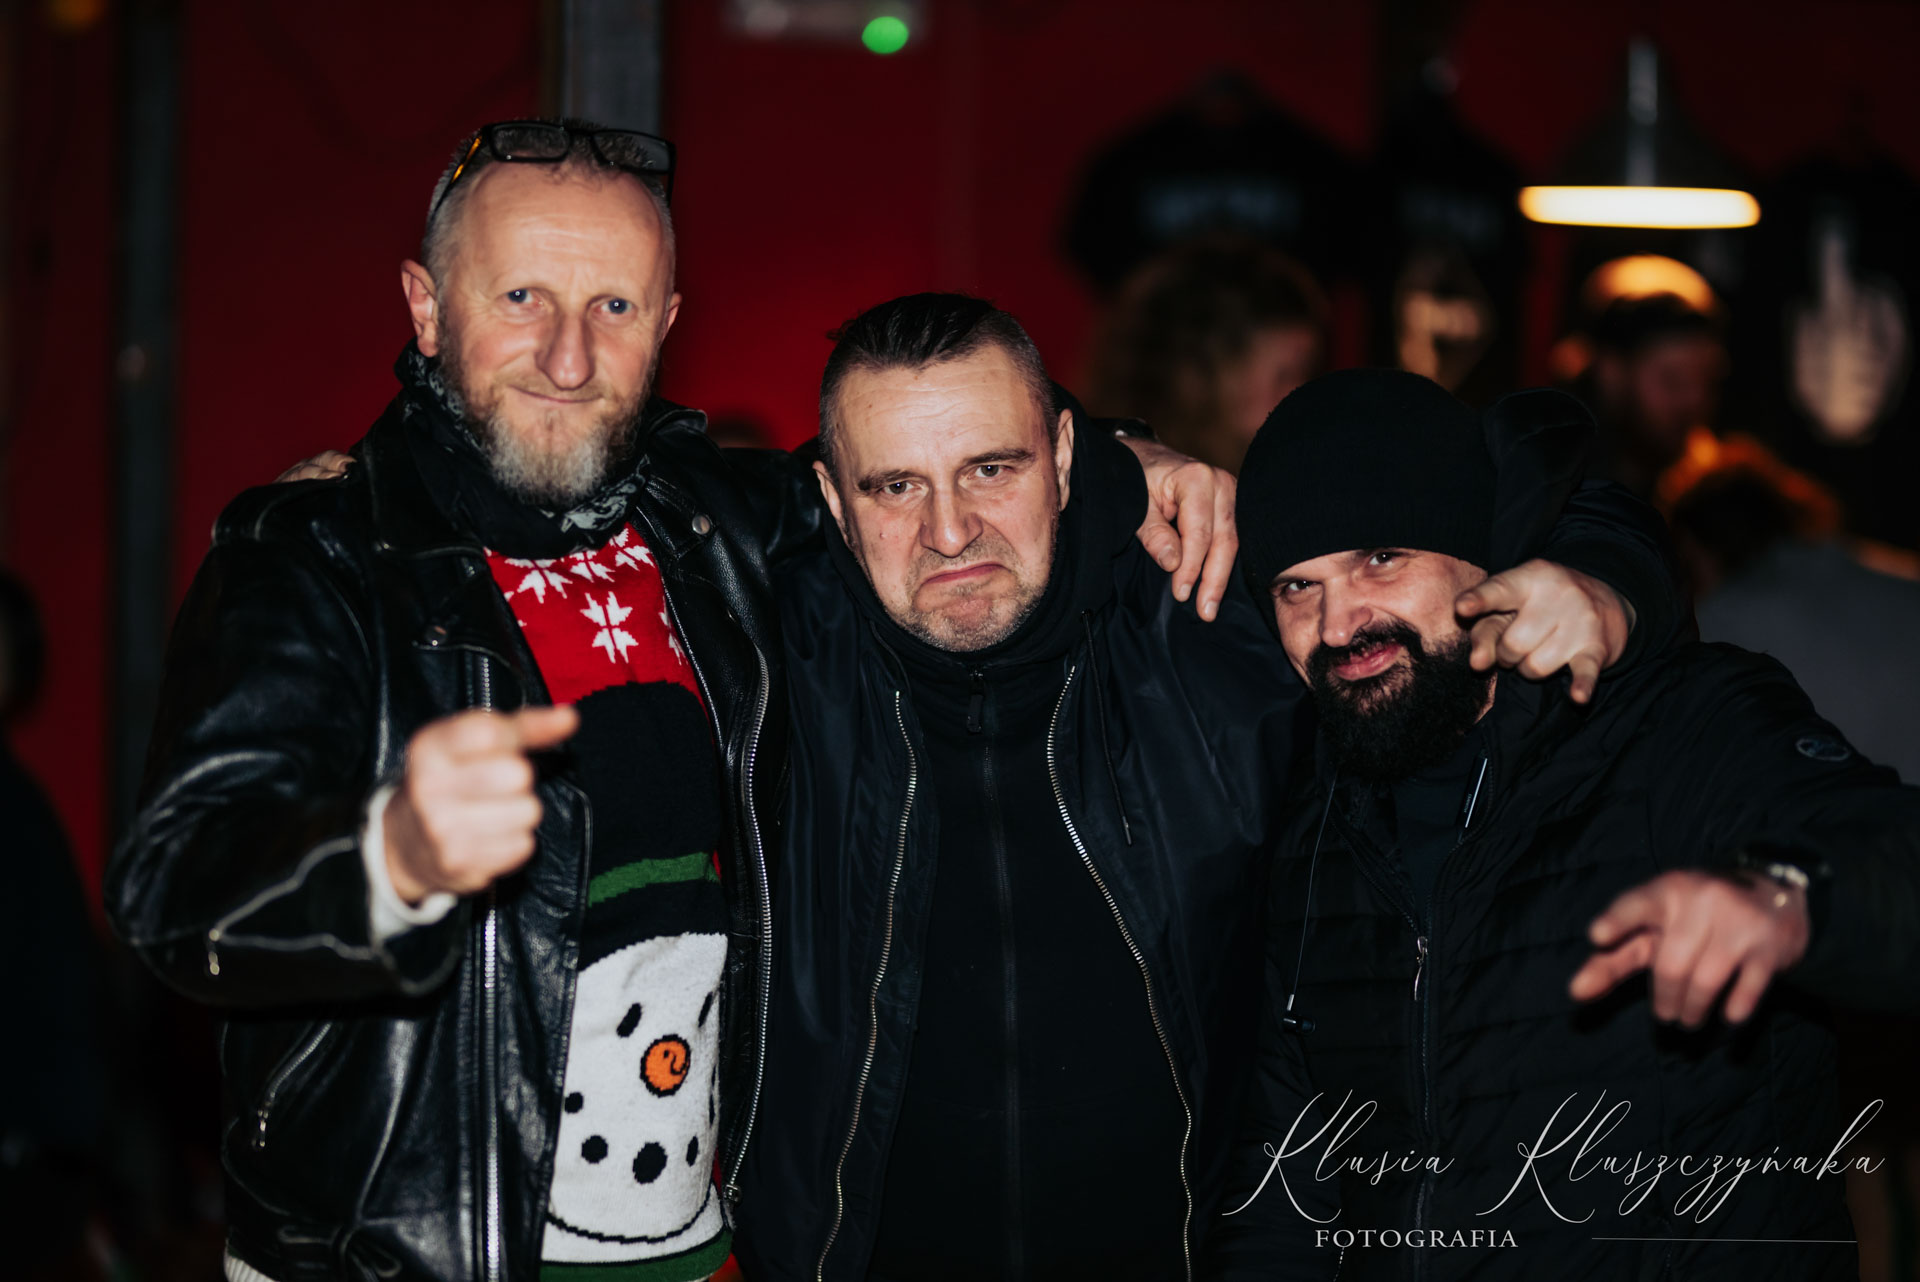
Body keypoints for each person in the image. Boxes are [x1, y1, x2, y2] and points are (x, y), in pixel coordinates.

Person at [110, 119, 1234, 1282]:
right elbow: (174, 890)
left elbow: (926, 458)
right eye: (521, 298)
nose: (567, 357)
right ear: (427, 308)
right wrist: (385, 858)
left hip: (691, 1255)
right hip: (400, 1258)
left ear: (667, 324)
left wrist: (1127, 461)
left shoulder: (717, 527)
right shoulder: (316, 558)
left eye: (614, 306)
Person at [734, 298, 1681, 1282]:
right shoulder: (761, 663)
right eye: (894, 486)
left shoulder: (1208, 626)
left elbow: (1510, 490)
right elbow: (656, 481)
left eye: (992, 469)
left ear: (1065, 457)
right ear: (831, 499)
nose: (949, 530)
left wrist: (1603, 583)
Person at [1207, 368, 1920, 1281]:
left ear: (1478, 554)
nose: (1340, 622)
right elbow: (1283, 1188)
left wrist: (1788, 900)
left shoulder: (1677, 723)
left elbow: (1896, 851)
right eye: (1296, 586)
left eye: (1381, 557)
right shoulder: (1310, 827)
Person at [1086, 236, 1328, 473]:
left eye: (1309, 372)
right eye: (1285, 375)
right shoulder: (1111, 478)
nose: (1303, 396)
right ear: (1203, 379)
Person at [1574, 291, 1727, 502]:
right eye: (1673, 381)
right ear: (1611, 372)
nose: (1694, 400)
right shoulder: (1560, 490)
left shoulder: (1711, 491)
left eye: (1707, 382)